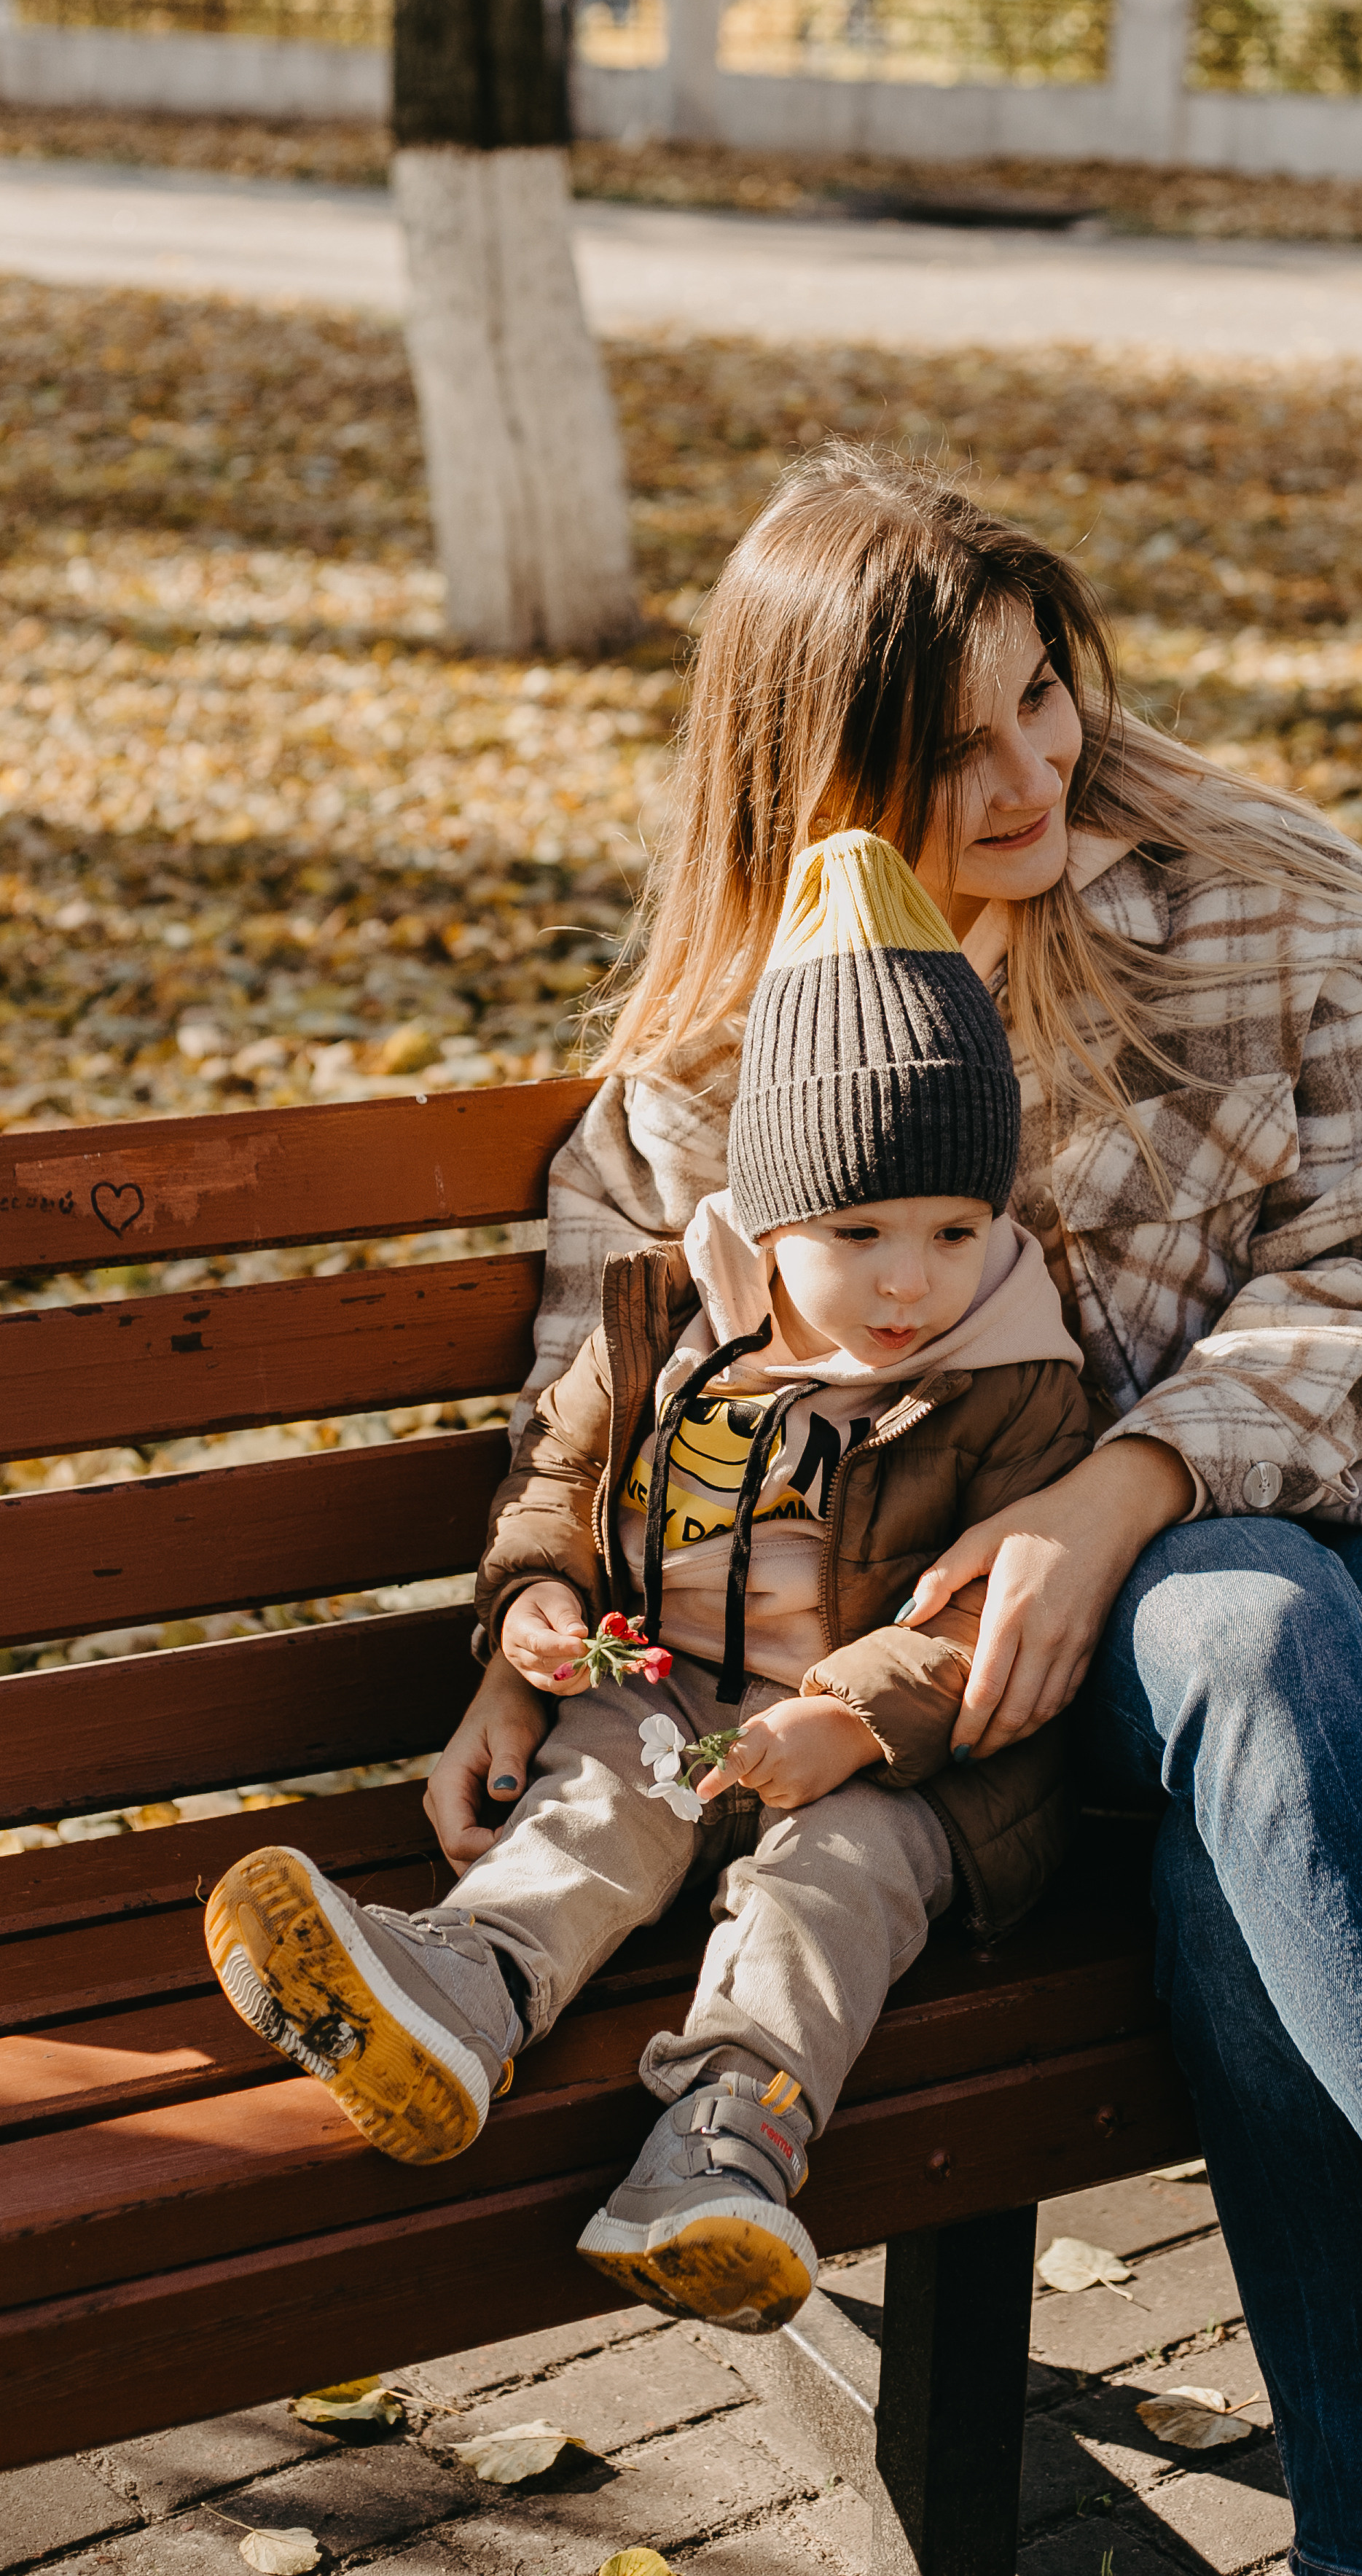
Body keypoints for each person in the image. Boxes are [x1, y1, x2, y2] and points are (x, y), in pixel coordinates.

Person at [418, 445, 1362, 2576]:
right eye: (942, 746)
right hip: (1050, 1679)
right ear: (812, 765)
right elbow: (603, 1366)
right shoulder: (728, 1054)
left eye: (1038, 695)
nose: (1024, 770)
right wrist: (526, 1629)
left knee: (1245, 1740)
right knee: (1238, 1683)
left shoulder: (1261, 899)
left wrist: (1115, 1482)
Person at [203, 830, 1089, 2335]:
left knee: (829, 1888)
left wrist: (859, 1720)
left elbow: (989, 1614)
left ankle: (726, 2137)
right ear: (768, 1212)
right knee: (595, 1801)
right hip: (662, 1685)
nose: (907, 1282)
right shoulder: (668, 1327)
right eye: (856, 1232)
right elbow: (557, 1471)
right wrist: (532, 1604)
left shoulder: (1014, 1376)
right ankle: (461, 1995)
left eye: (954, 1231)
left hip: (895, 1768)